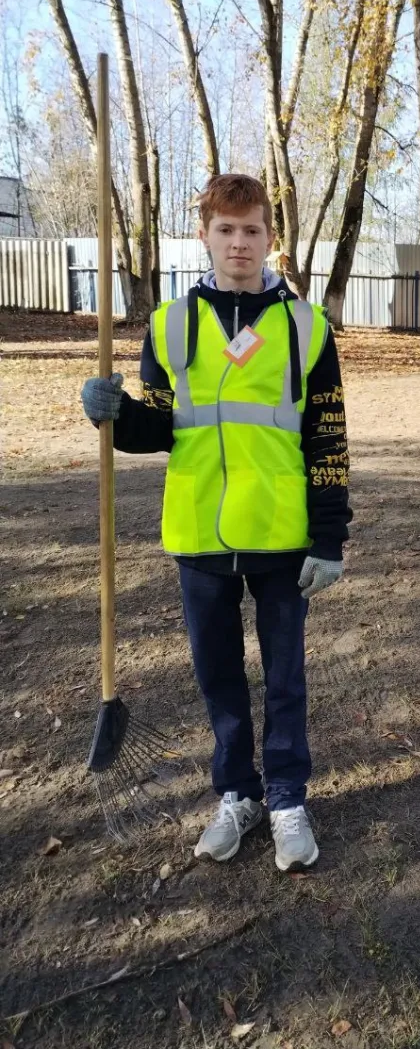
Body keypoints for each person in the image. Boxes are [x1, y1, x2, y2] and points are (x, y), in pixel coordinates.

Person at [81, 173, 351, 873]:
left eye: (252, 229)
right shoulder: (170, 323)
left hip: (282, 536)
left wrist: (329, 536)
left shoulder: (305, 327)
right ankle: (238, 792)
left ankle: (288, 796)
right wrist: (113, 414)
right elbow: (159, 427)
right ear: (203, 234)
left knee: (285, 677)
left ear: (270, 238)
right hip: (199, 535)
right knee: (219, 677)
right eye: (225, 229)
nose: (239, 243)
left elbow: (326, 437)